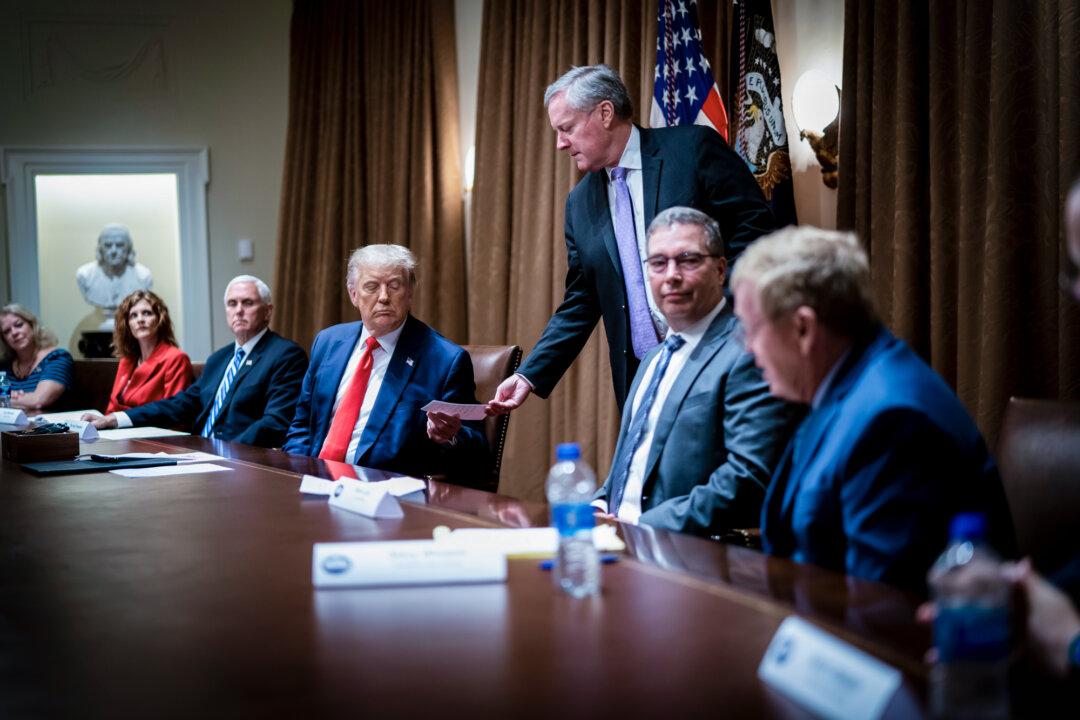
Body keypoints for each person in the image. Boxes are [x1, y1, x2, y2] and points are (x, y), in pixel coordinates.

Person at [730, 225, 1014, 592]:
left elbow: (876, 608)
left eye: (751, 330)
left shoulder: (891, 420)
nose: (747, 349)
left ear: (803, 328)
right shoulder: (846, 383)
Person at [488, 64, 774, 416]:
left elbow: (756, 230)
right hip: (643, 378)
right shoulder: (579, 204)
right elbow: (581, 300)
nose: (561, 143)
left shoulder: (692, 150)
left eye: (567, 129)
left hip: (721, 352)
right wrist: (529, 376)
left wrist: (709, 312)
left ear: (605, 113)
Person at [592, 208, 798, 536]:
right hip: (618, 541)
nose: (671, 275)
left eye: (688, 260)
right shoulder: (652, 359)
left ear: (719, 270)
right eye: (658, 263)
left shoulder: (748, 353)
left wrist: (639, 527)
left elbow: (749, 476)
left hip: (687, 554)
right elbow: (630, 468)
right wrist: (599, 507)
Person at [283, 245, 489, 483]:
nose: (383, 297)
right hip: (314, 483)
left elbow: (478, 448)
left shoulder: (444, 359)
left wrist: (450, 436)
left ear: (410, 292)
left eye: (394, 286)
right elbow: (302, 424)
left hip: (383, 494)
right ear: (353, 294)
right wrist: (297, 474)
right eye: (371, 286)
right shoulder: (328, 342)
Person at [89, 276, 307, 447]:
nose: (238, 310)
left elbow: (275, 423)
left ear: (267, 311)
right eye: (232, 304)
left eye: (247, 303)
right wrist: (118, 419)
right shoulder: (219, 359)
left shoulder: (285, 355)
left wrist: (223, 451)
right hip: (198, 453)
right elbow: (181, 404)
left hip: (240, 460)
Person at [102, 290, 194, 414]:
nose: (140, 320)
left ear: (160, 319)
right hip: (120, 430)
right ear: (127, 325)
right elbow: (112, 408)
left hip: (155, 431)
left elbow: (173, 413)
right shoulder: (127, 361)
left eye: (147, 313)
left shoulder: (176, 358)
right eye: (133, 315)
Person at [0, 304, 73, 411]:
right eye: (7, 331)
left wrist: (6, 398)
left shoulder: (56, 358)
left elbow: (38, 400)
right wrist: (18, 399)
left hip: (51, 425)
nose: (14, 333)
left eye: (19, 325)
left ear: (32, 325)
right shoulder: (4, 366)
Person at [75, 224, 154, 313]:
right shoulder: (85, 276)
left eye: (120, 245)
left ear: (129, 248)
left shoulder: (143, 276)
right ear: (100, 249)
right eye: (108, 245)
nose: (114, 251)